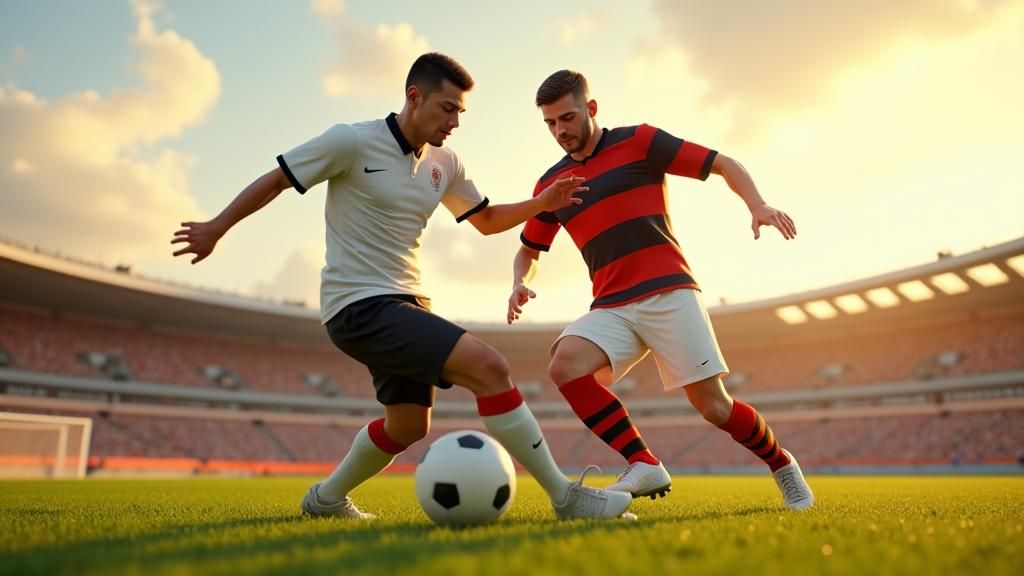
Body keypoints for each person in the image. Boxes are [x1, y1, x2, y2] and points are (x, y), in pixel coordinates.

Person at [172, 54, 632, 520]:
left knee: (408, 425)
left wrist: (543, 202)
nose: (455, 122)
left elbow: (488, 222)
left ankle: (324, 500)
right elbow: (277, 181)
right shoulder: (350, 141)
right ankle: (565, 496)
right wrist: (216, 226)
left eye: (461, 113)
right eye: (447, 108)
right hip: (356, 304)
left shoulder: (445, 163)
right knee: (491, 367)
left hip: (409, 303)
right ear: (414, 97)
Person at [507, 69, 814, 510]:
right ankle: (643, 462)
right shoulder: (550, 186)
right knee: (565, 363)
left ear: (591, 109)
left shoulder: (640, 141)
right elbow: (529, 250)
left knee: (714, 407)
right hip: (611, 305)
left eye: (568, 118)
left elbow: (723, 163)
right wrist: (520, 282)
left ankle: (783, 464)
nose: (560, 131)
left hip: (670, 292)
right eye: (551, 124)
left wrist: (757, 204)